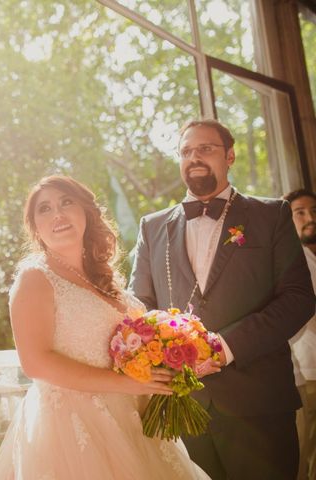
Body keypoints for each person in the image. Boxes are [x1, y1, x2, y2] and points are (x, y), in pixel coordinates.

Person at [0, 174, 210, 479]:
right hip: (71, 428)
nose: (58, 214)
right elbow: (36, 363)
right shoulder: (34, 279)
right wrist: (128, 383)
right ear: (35, 227)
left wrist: (165, 364)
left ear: (86, 213)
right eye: (45, 209)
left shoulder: (105, 279)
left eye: (66, 202)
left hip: (133, 418)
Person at [129, 118, 314, 480]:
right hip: (180, 407)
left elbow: (298, 299)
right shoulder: (152, 227)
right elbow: (140, 305)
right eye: (186, 151)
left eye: (206, 149)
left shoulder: (271, 214)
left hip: (257, 406)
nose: (194, 157)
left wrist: (223, 347)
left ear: (229, 156)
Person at [285, 188, 316, 479]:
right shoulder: (290, 262)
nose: (310, 218)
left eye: (314, 211)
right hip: (308, 372)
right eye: (300, 212)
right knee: (303, 455)